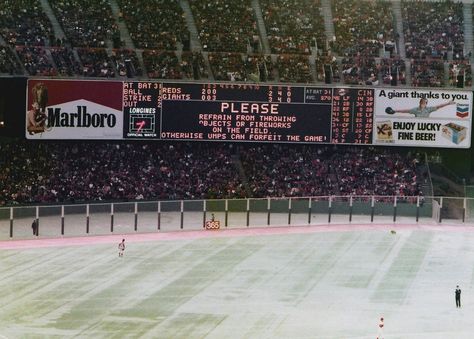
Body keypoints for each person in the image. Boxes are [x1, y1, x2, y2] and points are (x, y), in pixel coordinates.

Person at [387, 98, 455, 118]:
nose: (423, 104)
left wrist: (448, 103)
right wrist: (395, 111)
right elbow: (405, 111)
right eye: (422, 102)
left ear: (426, 104)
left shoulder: (429, 109)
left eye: (425, 103)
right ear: (420, 103)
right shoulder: (415, 110)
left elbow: (438, 106)